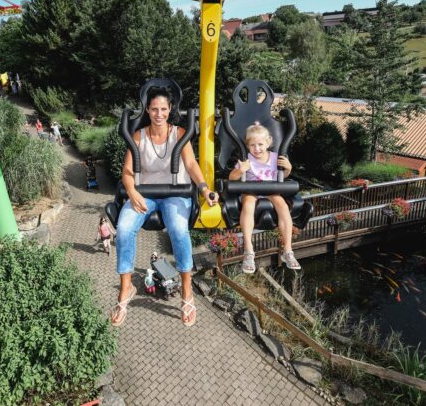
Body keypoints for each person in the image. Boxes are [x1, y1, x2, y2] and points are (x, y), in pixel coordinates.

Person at [111, 86, 217, 327]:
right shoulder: (138, 136)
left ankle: (187, 292)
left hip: (175, 193)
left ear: (170, 110)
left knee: (179, 230)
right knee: (124, 228)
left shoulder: (180, 133)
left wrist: (203, 188)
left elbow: (190, 164)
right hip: (145, 194)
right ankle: (126, 290)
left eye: (163, 109)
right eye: (154, 109)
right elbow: (127, 172)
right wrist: (131, 191)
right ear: (147, 110)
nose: (159, 113)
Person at [228, 122, 300, 274]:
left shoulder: (275, 158)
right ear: (248, 146)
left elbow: (283, 176)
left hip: (271, 189)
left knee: (283, 206)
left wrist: (288, 168)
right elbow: (232, 177)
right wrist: (241, 171)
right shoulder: (246, 159)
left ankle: (288, 250)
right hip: (251, 190)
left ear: (268, 143)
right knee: (247, 204)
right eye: (252, 145)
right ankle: (248, 250)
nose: (257, 148)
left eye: (260, 144)